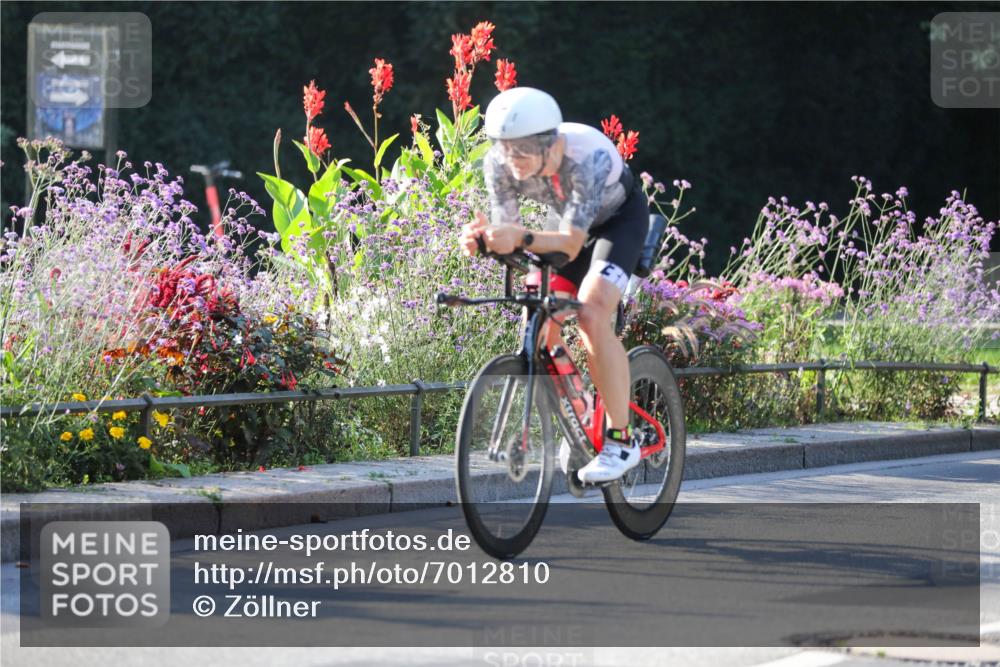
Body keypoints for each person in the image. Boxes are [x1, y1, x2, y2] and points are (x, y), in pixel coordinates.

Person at [459, 87, 650, 483]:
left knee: (593, 315)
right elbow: (511, 236)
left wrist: (518, 237)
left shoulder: (586, 158)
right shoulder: (500, 163)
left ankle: (621, 441)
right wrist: (485, 241)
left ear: (553, 144)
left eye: (524, 150)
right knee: (539, 319)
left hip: (617, 225)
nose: (513, 161)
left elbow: (571, 244)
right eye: (506, 149)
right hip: (565, 221)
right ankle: (578, 413)